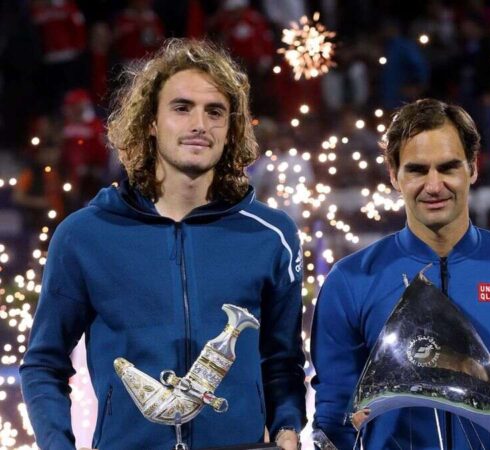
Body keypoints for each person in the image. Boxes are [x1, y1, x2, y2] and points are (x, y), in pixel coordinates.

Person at [20, 38, 306, 450]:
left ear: (231, 129)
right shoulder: (83, 236)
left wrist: (287, 428)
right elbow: (44, 364)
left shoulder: (271, 235)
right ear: (151, 121)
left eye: (215, 112)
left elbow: (282, 362)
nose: (199, 125)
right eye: (181, 108)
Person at [311, 98, 490, 449]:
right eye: (417, 170)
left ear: (472, 168)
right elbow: (334, 419)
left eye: (448, 167)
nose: (434, 185)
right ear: (394, 175)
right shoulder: (351, 281)